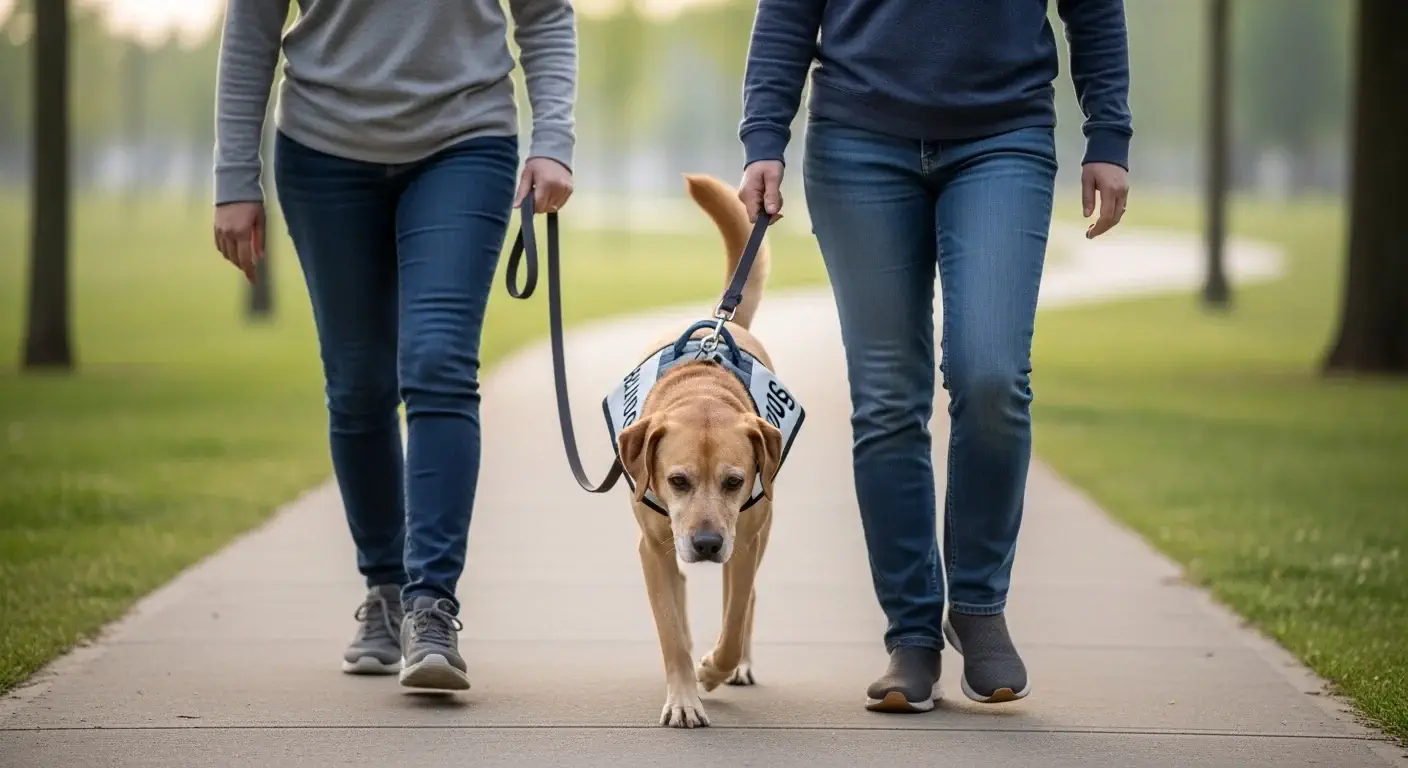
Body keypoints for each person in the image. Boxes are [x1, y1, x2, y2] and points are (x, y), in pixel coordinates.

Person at [738, 0, 1132, 711]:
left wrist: (1109, 133)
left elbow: (1094, 8)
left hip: (1002, 133)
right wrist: (764, 134)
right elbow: (788, 10)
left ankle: (978, 606)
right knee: (887, 398)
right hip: (857, 138)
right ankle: (911, 634)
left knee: (991, 378)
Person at [212, 0, 577, 690]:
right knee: (358, 383)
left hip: (464, 141)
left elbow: (547, 15)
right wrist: (235, 174)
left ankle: (431, 604)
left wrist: (553, 137)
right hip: (322, 154)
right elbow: (251, 27)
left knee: (438, 362)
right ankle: (383, 590)